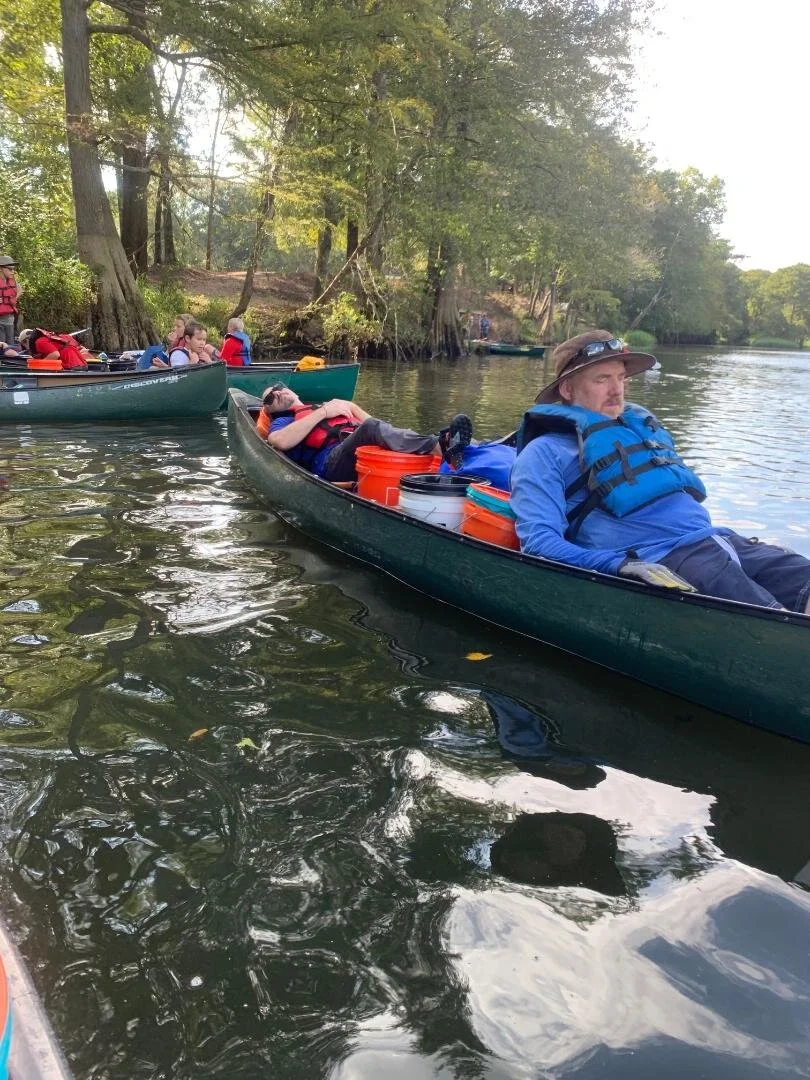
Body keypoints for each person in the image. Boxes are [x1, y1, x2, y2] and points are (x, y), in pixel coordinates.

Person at [510, 329, 810, 612]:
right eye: (602, 379)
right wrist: (619, 565)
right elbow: (539, 544)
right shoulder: (543, 453)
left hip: (722, 540)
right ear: (567, 389)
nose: (616, 390)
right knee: (777, 620)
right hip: (664, 559)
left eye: (621, 378)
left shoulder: (637, 431)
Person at [259, 383, 473, 482]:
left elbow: (380, 426)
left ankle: (465, 450)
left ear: (291, 389)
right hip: (331, 465)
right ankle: (439, 446)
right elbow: (278, 441)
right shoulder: (284, 421)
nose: (277, 393)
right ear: (270, 410)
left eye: (278, 387)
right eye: (269, 398)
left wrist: (350, 406)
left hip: (364, 451)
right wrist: (324, 412)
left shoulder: (327, 405)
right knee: (370, 428)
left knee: (391, 433)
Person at [18, 327, 89, 370]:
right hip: (82, 365)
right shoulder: (51, 338)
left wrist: (39, 364)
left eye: (24, 343)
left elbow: (55, 355)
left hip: (72, 366)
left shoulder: (39, 342)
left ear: (26, 340)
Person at [0, 256, 22, 346]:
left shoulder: (13, 282)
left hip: (10, 320)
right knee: (2, 347)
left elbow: (20, 290)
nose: (12, 272)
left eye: (13, 269)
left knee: (10, 346)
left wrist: (13, 299)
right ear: (1, 269)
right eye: (10, 269)